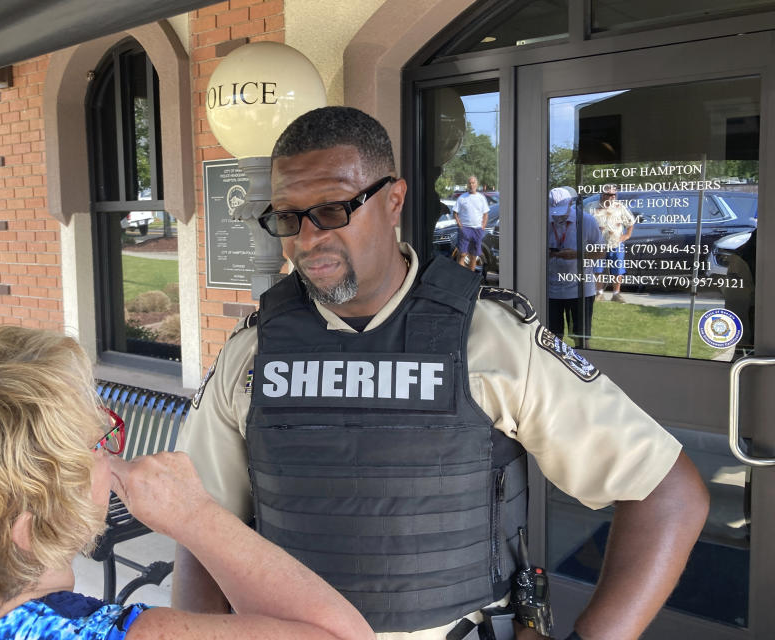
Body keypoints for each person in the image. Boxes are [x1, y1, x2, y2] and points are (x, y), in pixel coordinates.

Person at [173, 106, 708, 640]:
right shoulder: (252, 352)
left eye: (332, 210)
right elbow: (200, 528)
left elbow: (666, 492)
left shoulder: (492, 339)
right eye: (288, 218)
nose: (308, 240)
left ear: (394, 200)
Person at [0, 326, 374, 640]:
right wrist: (195, 515)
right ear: (27, 521)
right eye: (97, 440)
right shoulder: (88, 636)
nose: (113, 451)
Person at [547, 187, 605, 349]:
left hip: (580, 290)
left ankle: (584, 370)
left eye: (562, 212)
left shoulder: (586, 220)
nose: (558, 216)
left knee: (581, 339)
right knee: (551, 339)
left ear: (571, 204)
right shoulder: (544, 220)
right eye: (554, 212)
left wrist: (576, 254)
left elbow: (601, 252)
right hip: (551, 289)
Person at [589, 185, 635, 303]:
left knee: (618, 269)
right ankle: (599, 293)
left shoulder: (619, 207)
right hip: (597, 245)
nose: (612, 197)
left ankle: (616, 294)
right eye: (609, 194)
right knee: (598, 269)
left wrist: (627, 235)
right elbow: (585, 223)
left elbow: (630, 221)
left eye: (614, 194)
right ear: (602, 195)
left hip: (615, 243)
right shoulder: (591, 207)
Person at [452, 175, 489, 271]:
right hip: (465, 229)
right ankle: (461, 277)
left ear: (477, 184)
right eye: (470, 183)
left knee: (473, 256)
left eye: (473, 183)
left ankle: (470, 278)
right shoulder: (462, 198)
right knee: (462, 254)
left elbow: (485, 214)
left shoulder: (481, 198)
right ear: (467, 185)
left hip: (477, 230)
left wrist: (483, 227)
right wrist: (460, 226)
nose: (471, 185)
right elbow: (455, 213)